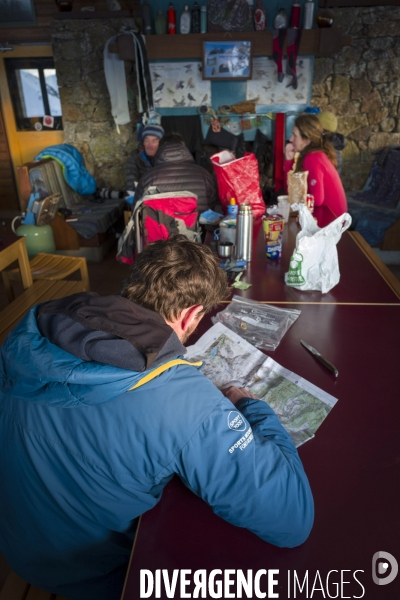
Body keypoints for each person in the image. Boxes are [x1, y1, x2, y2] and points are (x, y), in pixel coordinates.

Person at [0, 236, 314, 600]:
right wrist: (253, 408)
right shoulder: (185, 402)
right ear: (191, 315)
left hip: (18, 547)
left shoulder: (36, 328)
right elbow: (293, 520)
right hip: (94, 574)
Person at [134, 132, 218, 213]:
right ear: (183, 147)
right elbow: (213, 209)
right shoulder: (204, 175)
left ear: (160, 148)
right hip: (198, 227)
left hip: (160, 227)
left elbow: (137, 210)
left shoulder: (148, 178)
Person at [284, 114, 348, 217]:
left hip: (332, 221)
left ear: (307, 140)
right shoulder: (311, 155)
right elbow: (292, 192)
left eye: (295, 136)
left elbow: (316, 200)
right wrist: (289, 160)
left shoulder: (313, 158)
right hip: (326, 217)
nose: (291, 139)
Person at [125, 123, 164, 192]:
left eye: (154, 141)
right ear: (143, 142)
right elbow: (131, 183)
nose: (150, 145)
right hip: (142, 197)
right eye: (147, 141)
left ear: (160, 143)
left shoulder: (166, 156)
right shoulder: (135, 156)